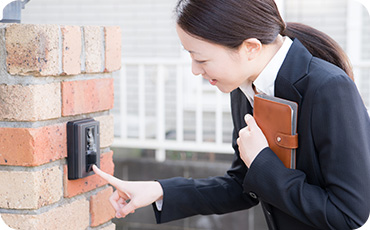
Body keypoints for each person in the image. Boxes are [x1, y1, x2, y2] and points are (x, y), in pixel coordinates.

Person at [93, 0, 370, 229]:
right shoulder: (243, 87)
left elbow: (348, 213)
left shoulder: (328, 88)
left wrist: (262, 161)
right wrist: (159, 190)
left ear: (250, 48)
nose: (195, 70)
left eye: (201, 59)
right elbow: (243, 186)